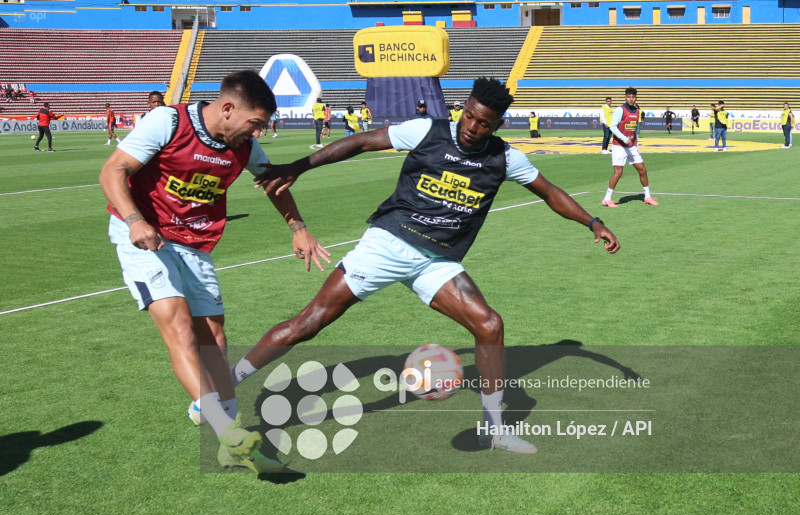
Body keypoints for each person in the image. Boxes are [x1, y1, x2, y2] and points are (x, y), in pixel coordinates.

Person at [226, 77, 619, 455]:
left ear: (497, 124)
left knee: (489, 325)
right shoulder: (428, 131)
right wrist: (299, 166)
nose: (471, 126)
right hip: (389, 245)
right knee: (308, 323)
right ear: (462, 108)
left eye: (483, 123)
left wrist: (593, 222)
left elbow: (549, 192)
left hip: (437, 261)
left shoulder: (504, 158)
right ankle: (226, 385)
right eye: (468, 115)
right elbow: (364, 141)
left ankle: (494, 432)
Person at [98, 70, 330, 474]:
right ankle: (228, 434)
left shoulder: (243, 146)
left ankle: (224, 434)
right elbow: (112, 171)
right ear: (227, 109)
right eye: (254, 123)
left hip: (194, 242)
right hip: (143, 234)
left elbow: (272, 181)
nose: (257, 132)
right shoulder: (168, 122)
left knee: (215, 337)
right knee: (178, 324)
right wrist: (135, 220)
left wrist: (299, 228)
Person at [602, 87, 658, 207]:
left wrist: (634, 141)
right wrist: (625, 139)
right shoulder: (619, 110)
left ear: (636, 98)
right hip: (619, 146)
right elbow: (612, 127)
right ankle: (607, 198)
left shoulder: (637, 110)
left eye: (633, 97)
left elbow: (634, 128)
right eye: (629, 97)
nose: (631, 99)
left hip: (631, 146)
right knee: (618, 172)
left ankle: (647, 197)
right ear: (625, 97)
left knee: (642, 169)